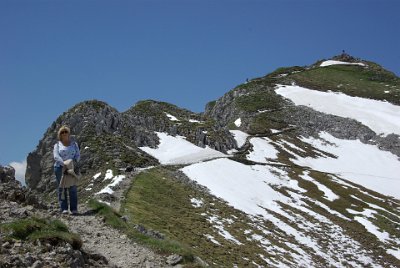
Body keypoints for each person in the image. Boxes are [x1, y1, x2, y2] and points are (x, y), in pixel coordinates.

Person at [53, 126, 81, 215]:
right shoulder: (57, 145)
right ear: (60, 134)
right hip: (60, 168)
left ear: (69, 133)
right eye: (62, 132)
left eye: (66, 131)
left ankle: (74, 209)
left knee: (73, 188)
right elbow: (56, 156)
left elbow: (78, 155)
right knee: (62, 188)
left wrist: (73, 163)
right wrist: (64, 164)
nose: (64, 133)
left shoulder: (74, 144)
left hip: (72, 168)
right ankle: (64, 208)